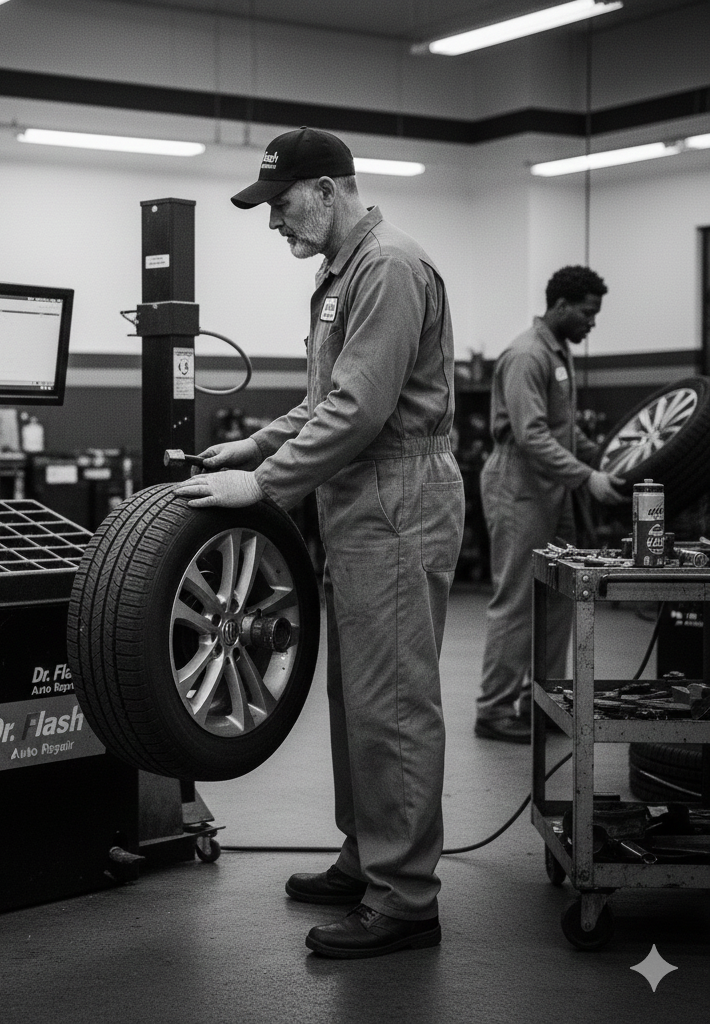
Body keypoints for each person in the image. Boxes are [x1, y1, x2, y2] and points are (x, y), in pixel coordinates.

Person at [174, 127, 464, 959]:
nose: (274, 224)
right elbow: (328, 400)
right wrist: (255, 447)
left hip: (399, 495)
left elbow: (361, 411)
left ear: (331, 191)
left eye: (282, 204)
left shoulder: (390, 268)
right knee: (357, 696)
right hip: (361, 495)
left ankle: (406, 897)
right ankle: (365, 855)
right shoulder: (344, 275)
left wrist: (262, 487)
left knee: (395, 702)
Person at [475, 265, 626, 744]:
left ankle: (542, 699)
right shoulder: (526, 355)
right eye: (587, 313)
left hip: (552, 486)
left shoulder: (559, 354)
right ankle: (494, 709)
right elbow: (531, 435)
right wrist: (588, 478)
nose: (592, 323)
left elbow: (562, 429)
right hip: (518, 481)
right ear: (561, 307)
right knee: (517, 599)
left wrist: (608, 455)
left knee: (562, 595)